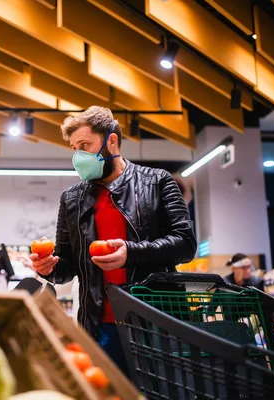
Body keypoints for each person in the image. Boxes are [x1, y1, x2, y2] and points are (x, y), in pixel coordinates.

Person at [29, 106, 197, 374]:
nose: (79, 156)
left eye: (85, 145)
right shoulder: (72, 199)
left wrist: (132, 253)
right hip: (100, 324)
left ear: (112, 140)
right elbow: (68, 266)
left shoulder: (158, 182)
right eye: (74, 148)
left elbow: (186, 244)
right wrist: (49, 268)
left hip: (156, 321)